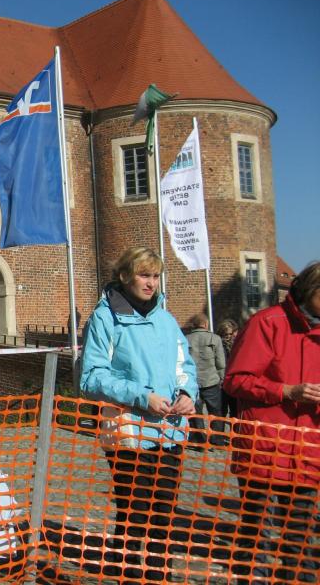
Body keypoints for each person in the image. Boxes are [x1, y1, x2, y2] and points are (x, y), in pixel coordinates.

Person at [80, 247, 198, 582]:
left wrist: (188, 393)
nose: (151, 283)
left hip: (170, 431)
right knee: (135, 514)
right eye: (144, 275)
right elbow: (91, 378)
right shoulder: (105, 318)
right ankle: (129, 574)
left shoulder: (166, 319)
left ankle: (161, 574)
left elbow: (185, 365)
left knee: (165, 515)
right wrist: (141, 396)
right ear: (125, 277)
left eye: (155, 276)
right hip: (129, 433)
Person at [223, 261, 320, 583]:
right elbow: (235, 380)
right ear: (311, 290)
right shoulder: (267, 323)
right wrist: (286, 390)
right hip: (263, 450)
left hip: (307, 452)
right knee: (256, 539)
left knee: (300, 539)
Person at [186, 313, 227, 446]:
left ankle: (198, 439)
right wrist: (221, 378)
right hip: (211, 381)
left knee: (195, 412)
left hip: (193, 382)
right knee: (215, 412)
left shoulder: (186, 339)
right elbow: (221, 362)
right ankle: (217, 439)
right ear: (205, 324)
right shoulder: (215, 338)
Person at [216, 318, 239, 419]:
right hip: (222, 382)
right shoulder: (218, 345)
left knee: (234, 411)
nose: (230, 337)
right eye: (227, 334)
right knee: (222, 411)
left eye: (232, 334)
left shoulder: (237, 345)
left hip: (232, 381)